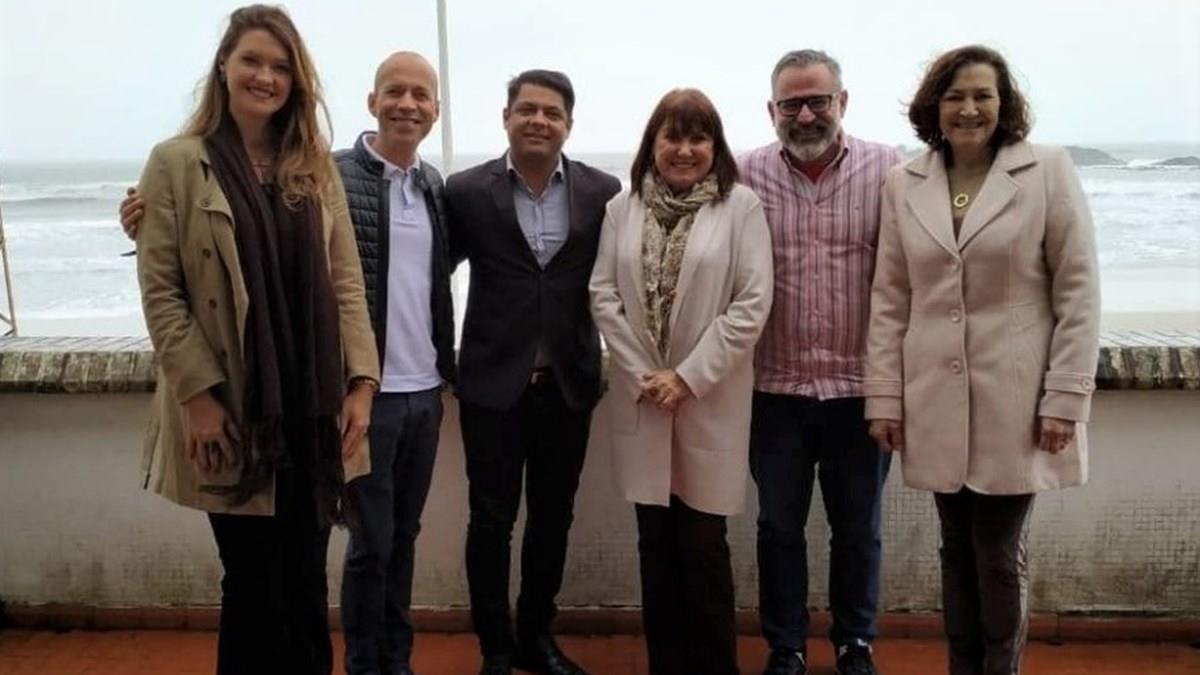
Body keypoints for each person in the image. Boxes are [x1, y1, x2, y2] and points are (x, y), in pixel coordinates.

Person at [122, 50, 455, 675]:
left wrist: (369, 380)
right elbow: (175, 276)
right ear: (372, 101)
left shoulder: (419, 185)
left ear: (437, 109)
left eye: (421, 95)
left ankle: (392, 661)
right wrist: (143, 220)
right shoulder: (311, 169)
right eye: (394, 91)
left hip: (361, 397)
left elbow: (364, 281)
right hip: (279, 400)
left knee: (329, 567)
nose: (407, 105)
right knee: (277, 573)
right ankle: (366, 664)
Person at [864, 45, 1100, 675]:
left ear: (1004, 103)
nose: (969, 109)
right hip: (934, 402)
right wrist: (885, 399)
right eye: (955, 97)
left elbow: (1078, 291)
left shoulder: (1047, 170)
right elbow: (890, 297)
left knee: (996, 551)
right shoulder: (904, 181)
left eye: (982, 96)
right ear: (934, 107)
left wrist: (1065, 398)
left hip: (1016, 402)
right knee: (955, 548)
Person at [589, 88, 773, 675]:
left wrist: (688, 378)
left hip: (707, 399)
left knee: (703, 545)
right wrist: (647, 375)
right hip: (645, 399)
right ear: (653, 144)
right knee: (655, 544)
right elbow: (603, 294)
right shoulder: (622, 209)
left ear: (716, 147)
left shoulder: (740, 208)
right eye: (673, 136)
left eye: (698, 137)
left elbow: (752, 303)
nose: (685, 149)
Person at [444, 70, 621, 675]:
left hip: (567, 386)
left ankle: (535, 638)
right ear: (506, 117)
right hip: (491, 386)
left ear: (568, 124)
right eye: (527, 109)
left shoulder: (603, 192)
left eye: (552, 112)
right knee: (490, 521)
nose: (538, 120)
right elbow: (427, 271)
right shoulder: (466, 191)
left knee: (552, 519)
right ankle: (495, 649)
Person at [737, 50, 901, 675]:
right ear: (771, 110)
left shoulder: (889, 169)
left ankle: (855, 642)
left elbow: (911, 278)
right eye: (791, 104)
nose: (805, 115)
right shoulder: (744, 174)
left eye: (818, 101)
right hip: (773, 389)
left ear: (843, 102)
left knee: (858, 528)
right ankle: (787, 646)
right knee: (778, 527)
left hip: (859, 390)